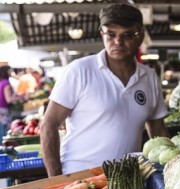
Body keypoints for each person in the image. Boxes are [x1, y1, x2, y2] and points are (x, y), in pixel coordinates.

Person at [41, 3, 169, 176]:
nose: (118, 42)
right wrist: (55, 180)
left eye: (127, 35)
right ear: (102, 33)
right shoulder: (80, 71)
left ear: (140, 36)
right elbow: (49, 124)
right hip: (78, 179)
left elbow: (158, 131)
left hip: (128, 181)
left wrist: (169, 168)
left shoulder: (149, 77)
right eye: (110, 34)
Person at [0, 65, 15, 138]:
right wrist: (19, 98)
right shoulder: (6, 83)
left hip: (1, 108)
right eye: (10, 70)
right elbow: (8, 99)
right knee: (5, 130)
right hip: (4, 109)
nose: (11, 72)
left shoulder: (2, 82)